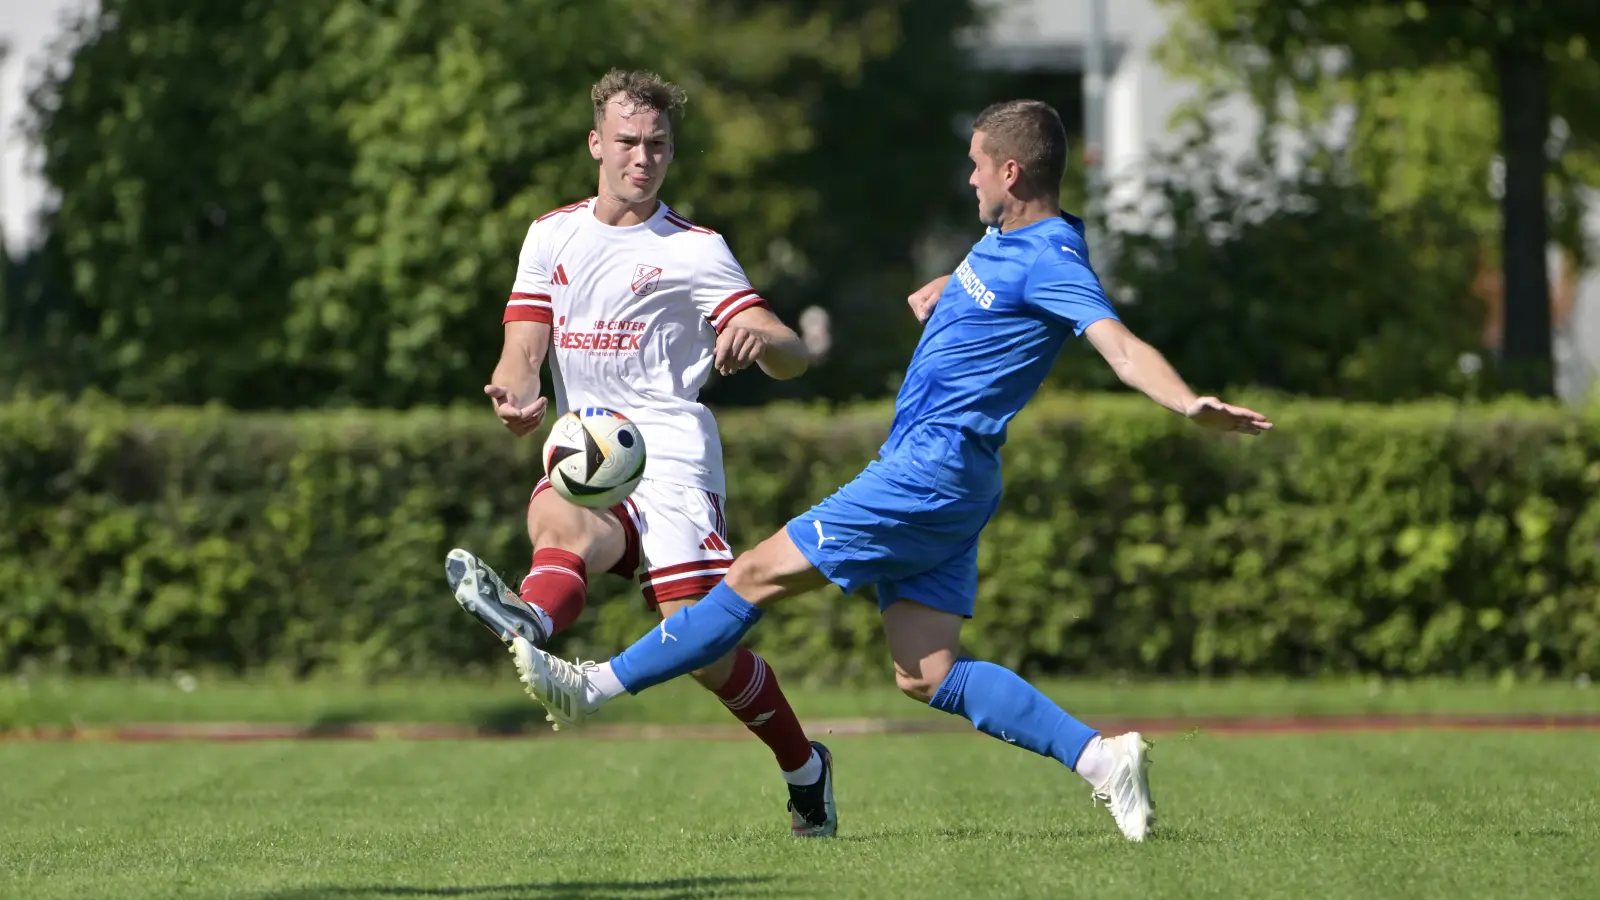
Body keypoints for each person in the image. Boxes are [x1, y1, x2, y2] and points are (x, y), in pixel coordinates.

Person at [509, 98, 1273, 843]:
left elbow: (1120, 345)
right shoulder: (1007, 239)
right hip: (958, 477)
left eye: (976, 167)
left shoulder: (1051, 257)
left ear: (1011, 171)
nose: (968, 179)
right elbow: (999, 307)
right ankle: (1103, 759)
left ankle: (590, 687)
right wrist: (952, 297)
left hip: (927, 471)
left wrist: (1188, 403)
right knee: (928, 673)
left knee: (751, 578)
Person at [443, 68, 838, 838]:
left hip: (675, 460)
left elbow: (789, 353)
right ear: (596, 143)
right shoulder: (550, 235)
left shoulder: (696, 250)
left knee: (702, 649)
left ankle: (805, 768)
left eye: (657, 144)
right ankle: (533, 623)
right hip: (589, 444)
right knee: (561, 521)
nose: (642, 158)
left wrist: (769, 341)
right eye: (627, 141)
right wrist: (515, 392)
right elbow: (521, 350)